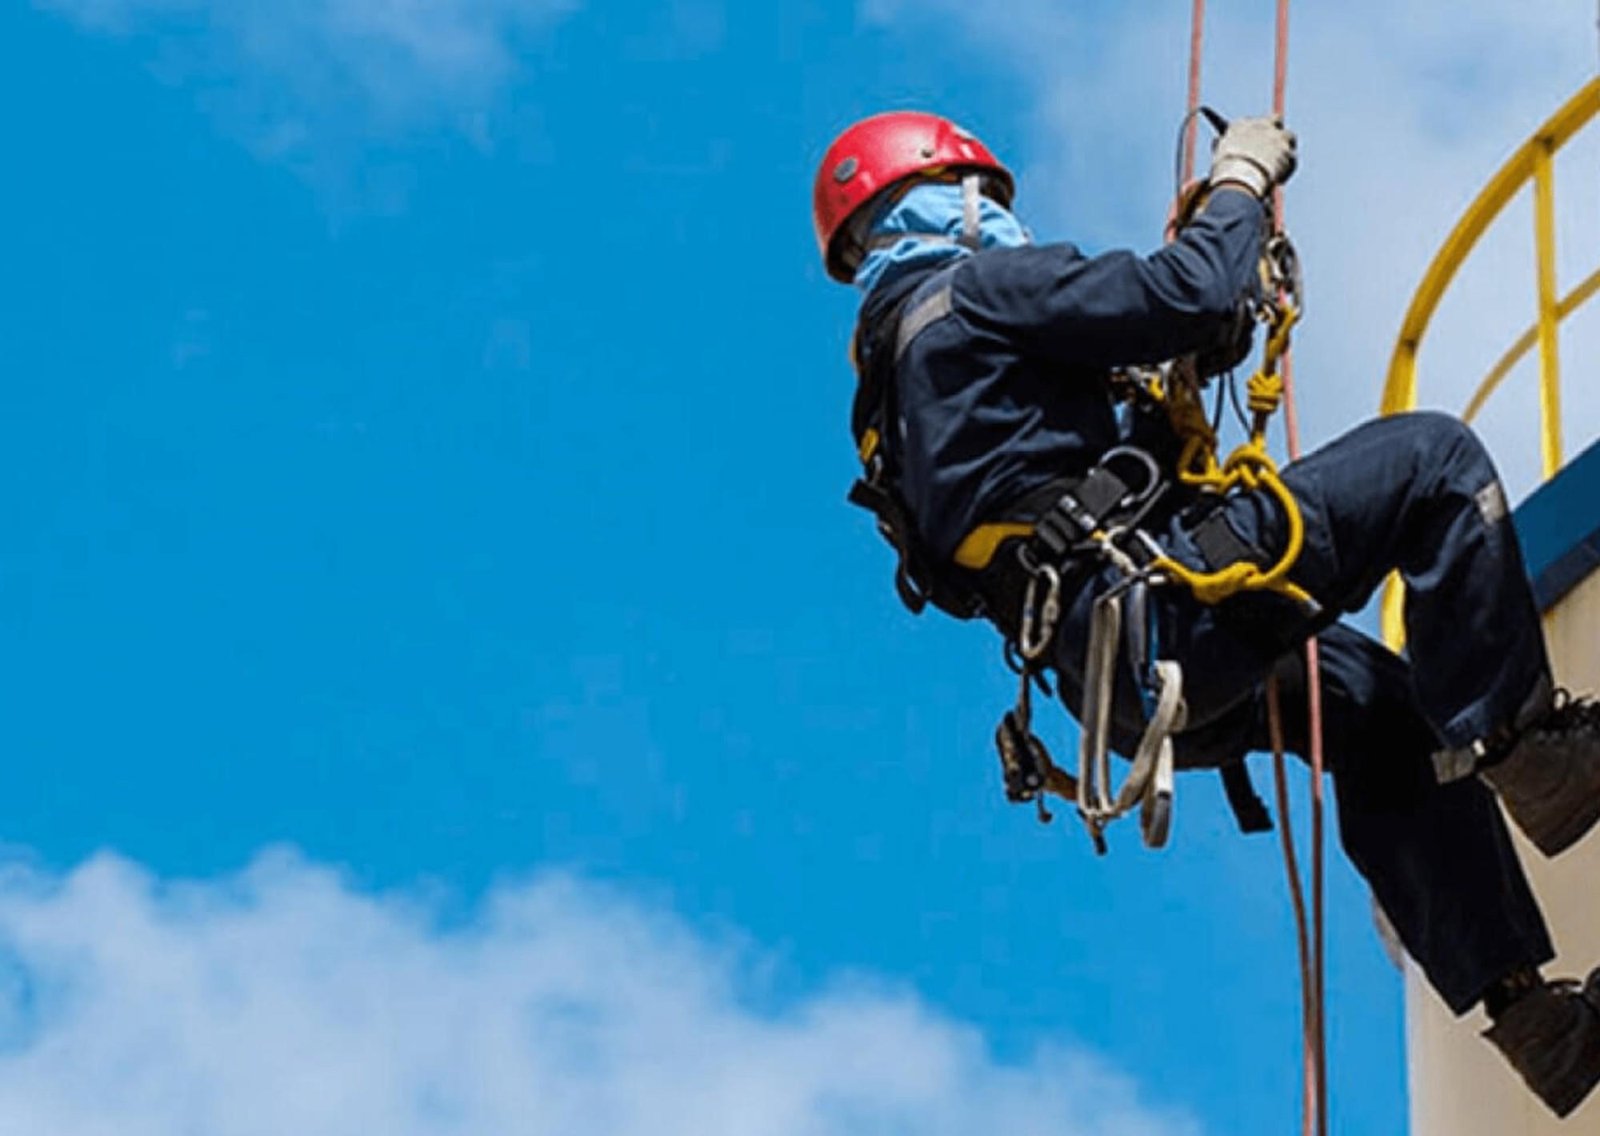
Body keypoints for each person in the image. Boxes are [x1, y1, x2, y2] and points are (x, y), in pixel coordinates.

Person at [811, 108, 1600, 1118]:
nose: (998, 219)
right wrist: (1235, 187)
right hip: (1162, 616)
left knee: (1372, 709)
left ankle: (1539, 1024)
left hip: (1127, 684)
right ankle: (1532, 749)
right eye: (984, 202)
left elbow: (1123, 394)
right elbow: (1182, 293)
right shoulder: (975, 289)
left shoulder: (896, 395)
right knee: (1431, 460)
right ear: (943, 202)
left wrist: (1193, 345)